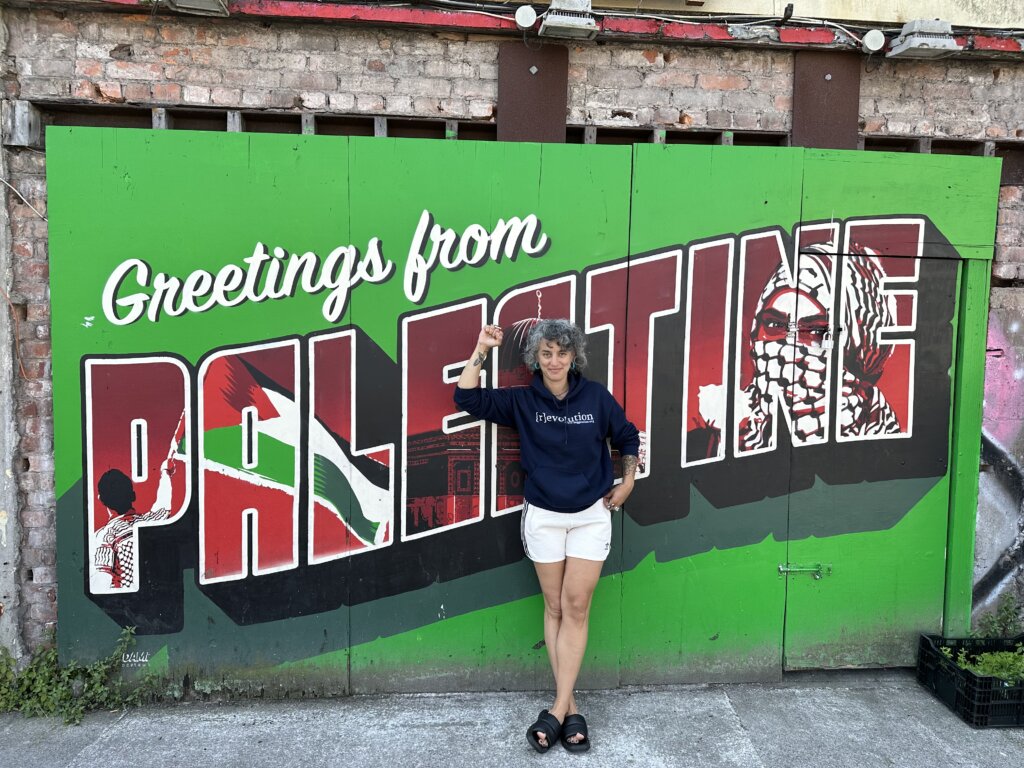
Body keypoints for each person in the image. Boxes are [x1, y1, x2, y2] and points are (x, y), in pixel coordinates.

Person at [454, 319, 639, 753]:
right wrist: (481, 346)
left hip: (592, 515)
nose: (554, 362)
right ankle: (571, 708)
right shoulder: (523, 400)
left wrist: (628, 481)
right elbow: (466, 397)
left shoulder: (594, 397)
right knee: (554, 606)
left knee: (576, 606)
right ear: (535, 360)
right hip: (543, 517)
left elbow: (627, 436)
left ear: (574, 356)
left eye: (561, 353)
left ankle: (555, 712)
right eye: (546, 354)